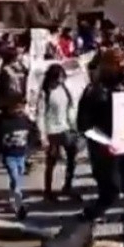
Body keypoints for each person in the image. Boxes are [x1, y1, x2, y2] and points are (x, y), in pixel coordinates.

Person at [76, 47, 124, 247]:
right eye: (119, 62)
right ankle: (83, 222)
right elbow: (84, 125)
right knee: (110, 194)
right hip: (105, 152)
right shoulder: (94, 91)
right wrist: (104, 141)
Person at [37, 63, 81, 203]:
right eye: (58, 78)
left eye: (62, 77)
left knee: (72, 159)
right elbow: (41, 115)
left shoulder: (64, 89)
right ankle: (48, 190)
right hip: (52, 131)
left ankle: (68, 185)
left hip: (66, 128)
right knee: (51, 162)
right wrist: (43, 135)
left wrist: (74, 125)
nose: (60, 80)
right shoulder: (45, 93)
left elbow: (70, 108)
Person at [0, 90, 33, 220]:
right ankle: (19, 204)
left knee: (19, 176)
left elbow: (32, 134)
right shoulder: (4, 122)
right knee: (15, 178)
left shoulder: (25, 120)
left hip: (21, 154)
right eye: (16, 107)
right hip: (9, 155)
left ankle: (14, 197)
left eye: (21, 107)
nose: (19, 110)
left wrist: (31, 149)